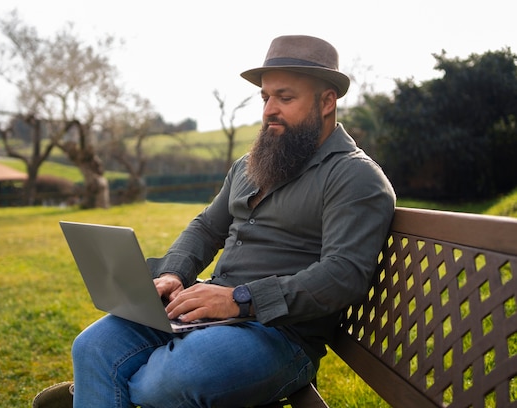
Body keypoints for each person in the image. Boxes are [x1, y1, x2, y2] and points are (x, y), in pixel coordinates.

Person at [34, 35, 396, 408]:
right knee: (93, 346)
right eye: (265, 97)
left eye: (285, 98)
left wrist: (240, 300)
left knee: (172, 377)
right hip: (207, 311)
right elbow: (207, 227)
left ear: (327, 102)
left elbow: (343, 274)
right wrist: (174, 273)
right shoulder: (253, 163)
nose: (269, 109)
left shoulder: (355, 177)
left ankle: (94, 391)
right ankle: (99, 385)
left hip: (281, 335)